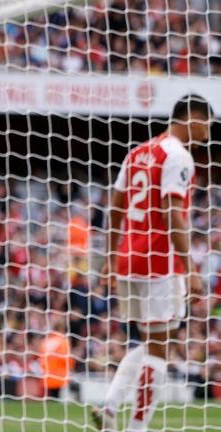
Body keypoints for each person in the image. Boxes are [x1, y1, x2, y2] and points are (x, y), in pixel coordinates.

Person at [93, 94, 213, 431]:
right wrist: (189, 267)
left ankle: (110, 406)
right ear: (193, 118)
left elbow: (115, 208)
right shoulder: (178, 155)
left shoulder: (137, 153)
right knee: (160, 348)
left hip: (129, 260)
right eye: (208, 122)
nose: (209, 130)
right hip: (160, 262)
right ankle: (137, 427)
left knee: (149, 342)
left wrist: (110, 257)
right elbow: (172, 212)